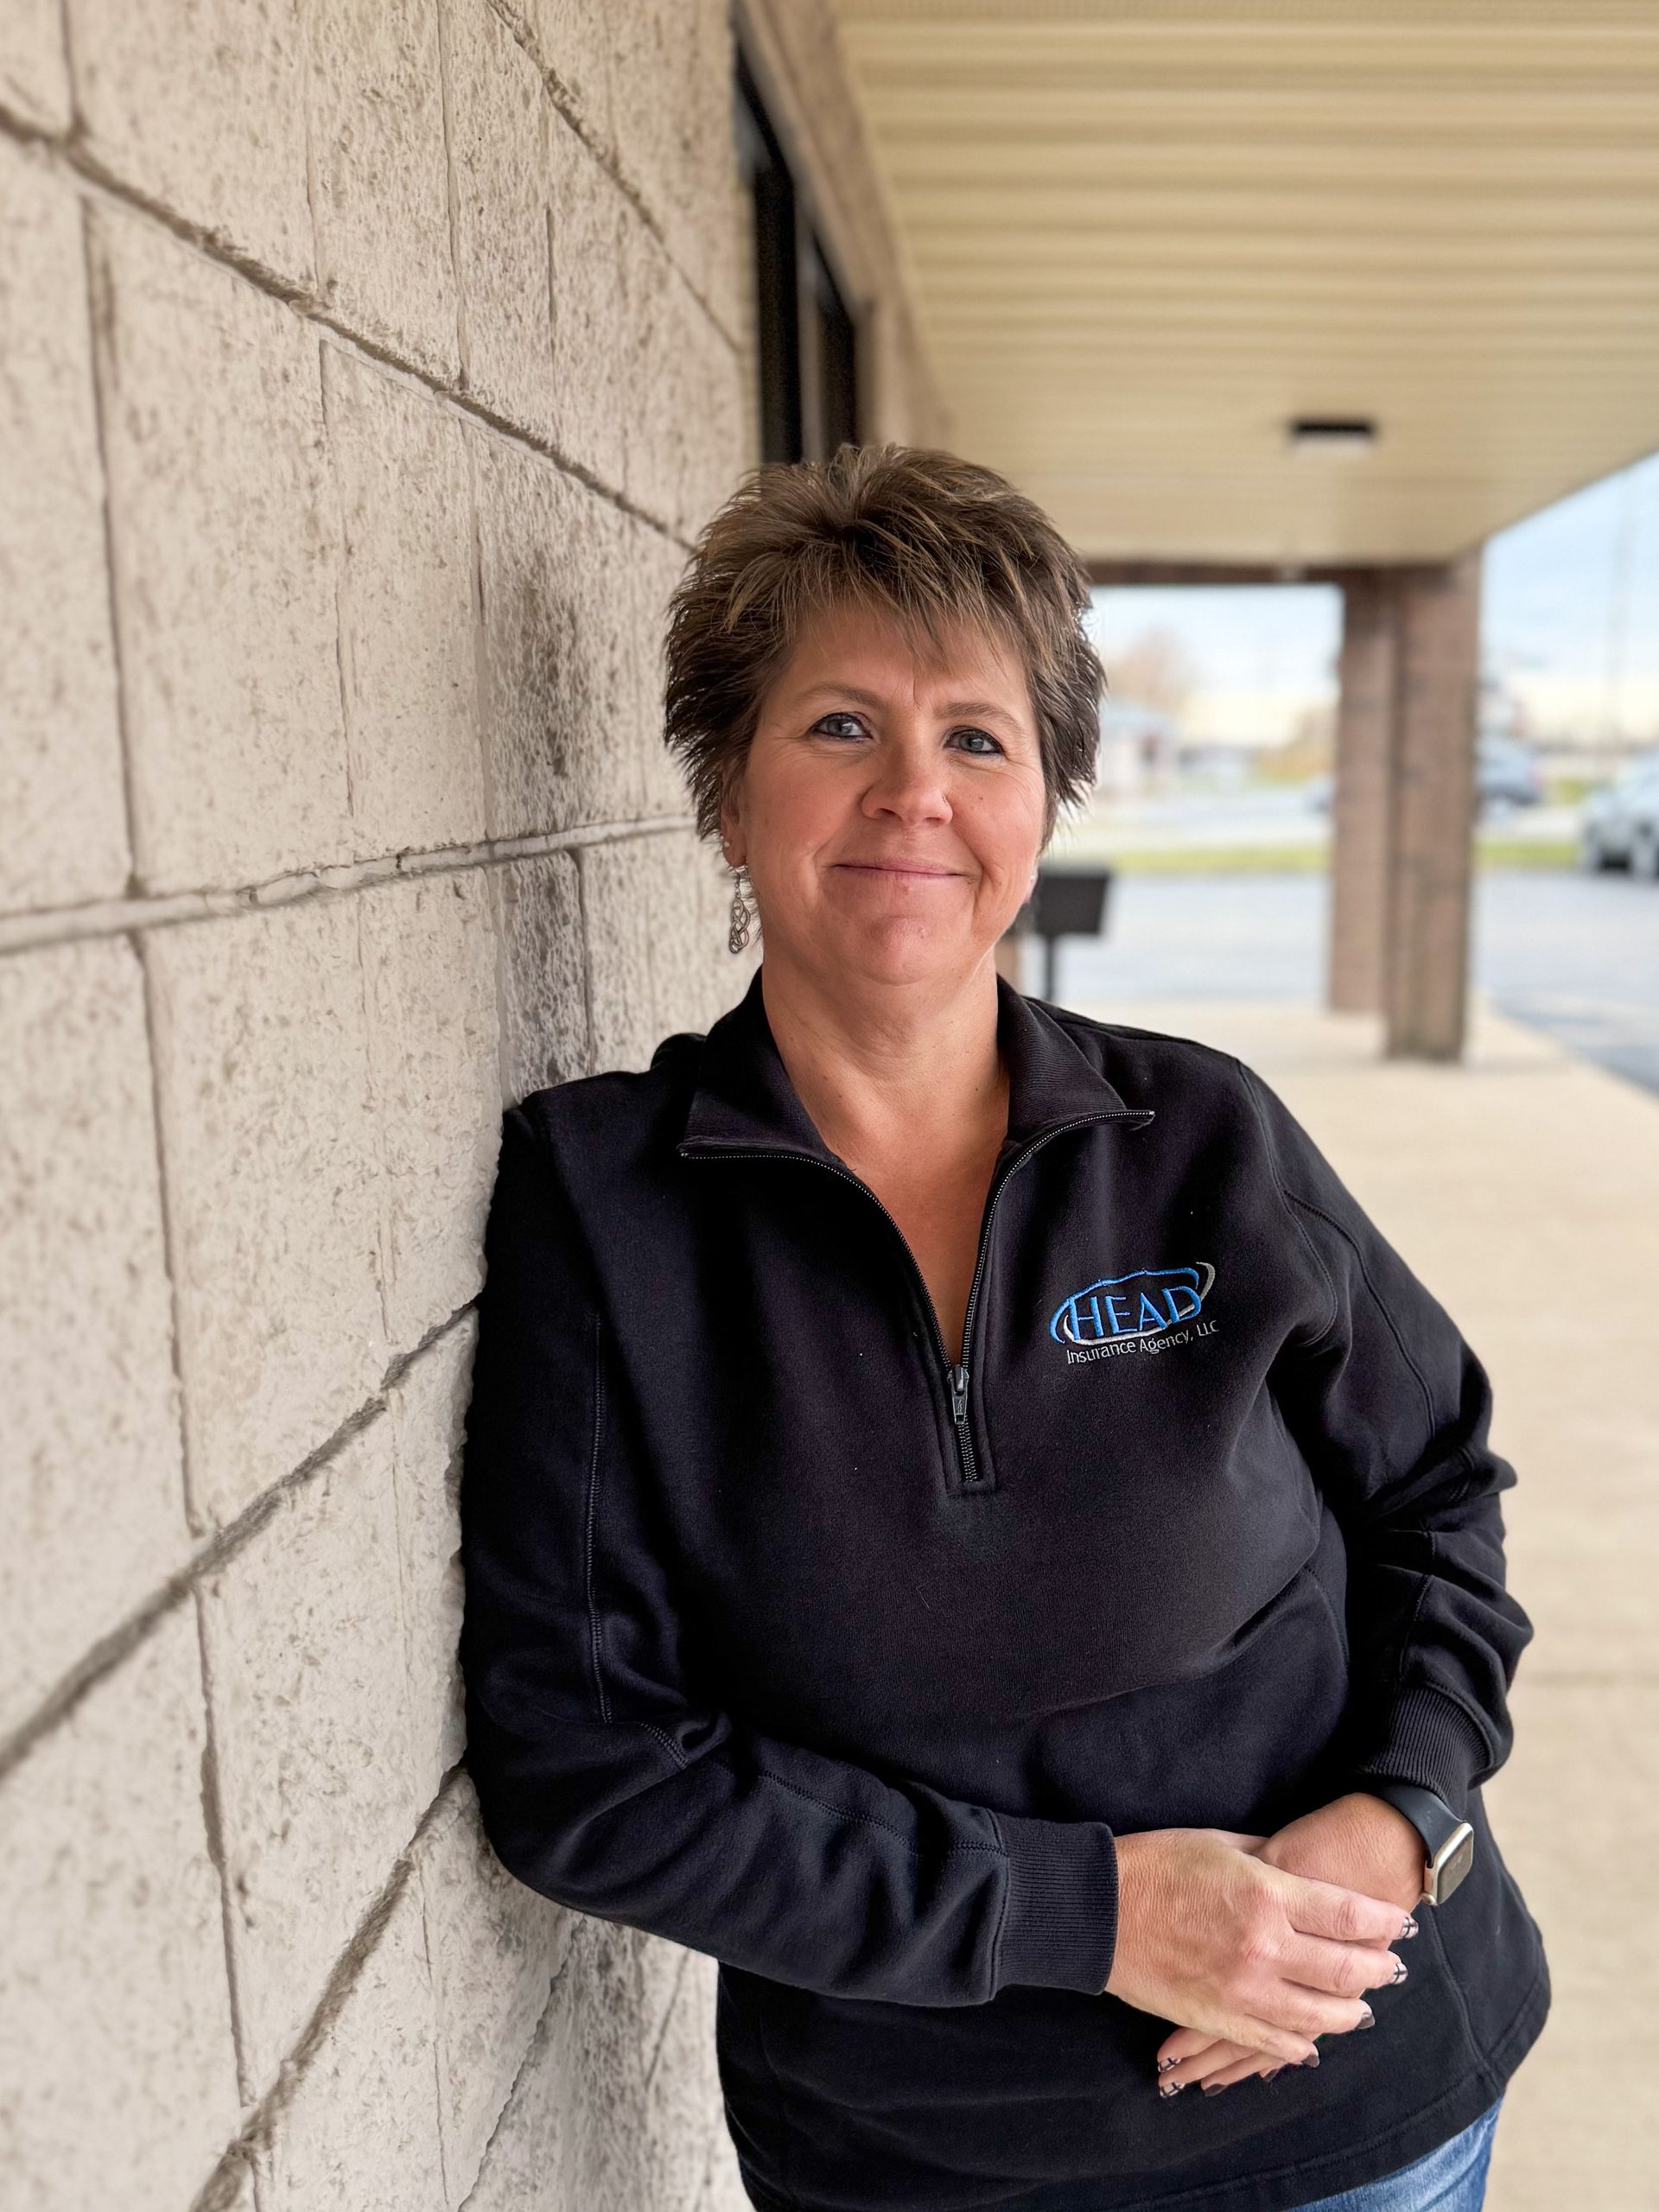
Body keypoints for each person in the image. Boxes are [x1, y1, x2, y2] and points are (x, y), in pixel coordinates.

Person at [458, 444, 1549, 2212]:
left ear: (1044, 805)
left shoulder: (1204, 1137)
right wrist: (1098, 1910)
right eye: (839, 726)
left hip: (1358, 2100)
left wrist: (1407, 1804)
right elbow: (589, 1771)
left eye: (978, 735)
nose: (915, 791)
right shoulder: (611, 1206)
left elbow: (1439, 1493)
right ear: (727, 796)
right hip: (926, 2160)